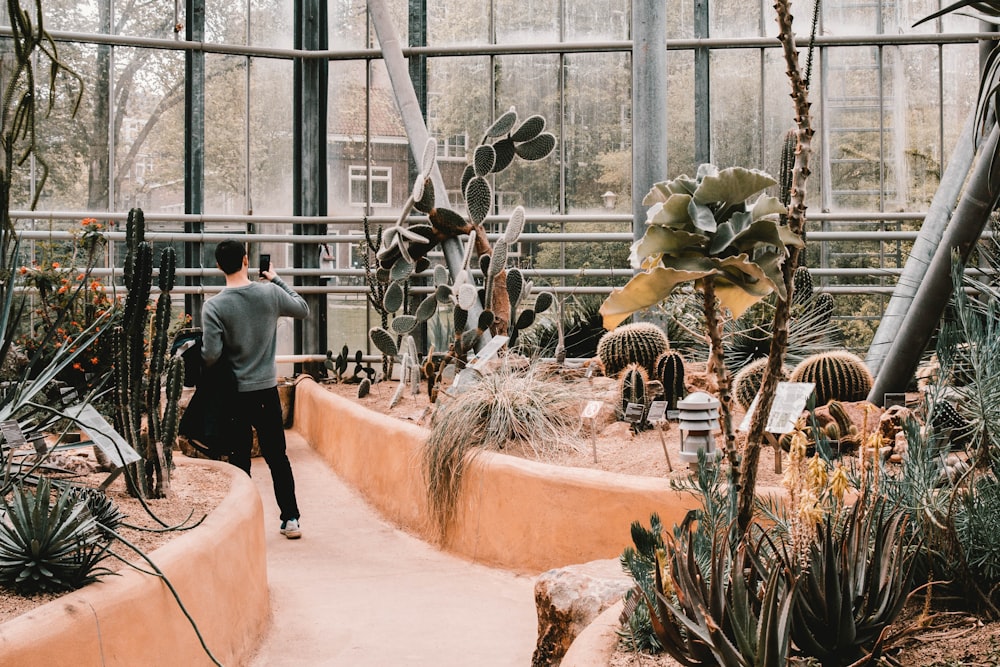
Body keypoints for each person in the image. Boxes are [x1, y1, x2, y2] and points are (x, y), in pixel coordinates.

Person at [201, 240, 309, 539]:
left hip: (234, 394)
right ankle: (290, 519)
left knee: (239, 458)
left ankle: (243, 524)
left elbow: (210, 355)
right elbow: (302, 308)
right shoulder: (270, 294)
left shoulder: (214, 306)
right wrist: (276, 279)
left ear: (219, 266)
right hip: (266, 391)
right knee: (277, 456)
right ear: (247, 260)